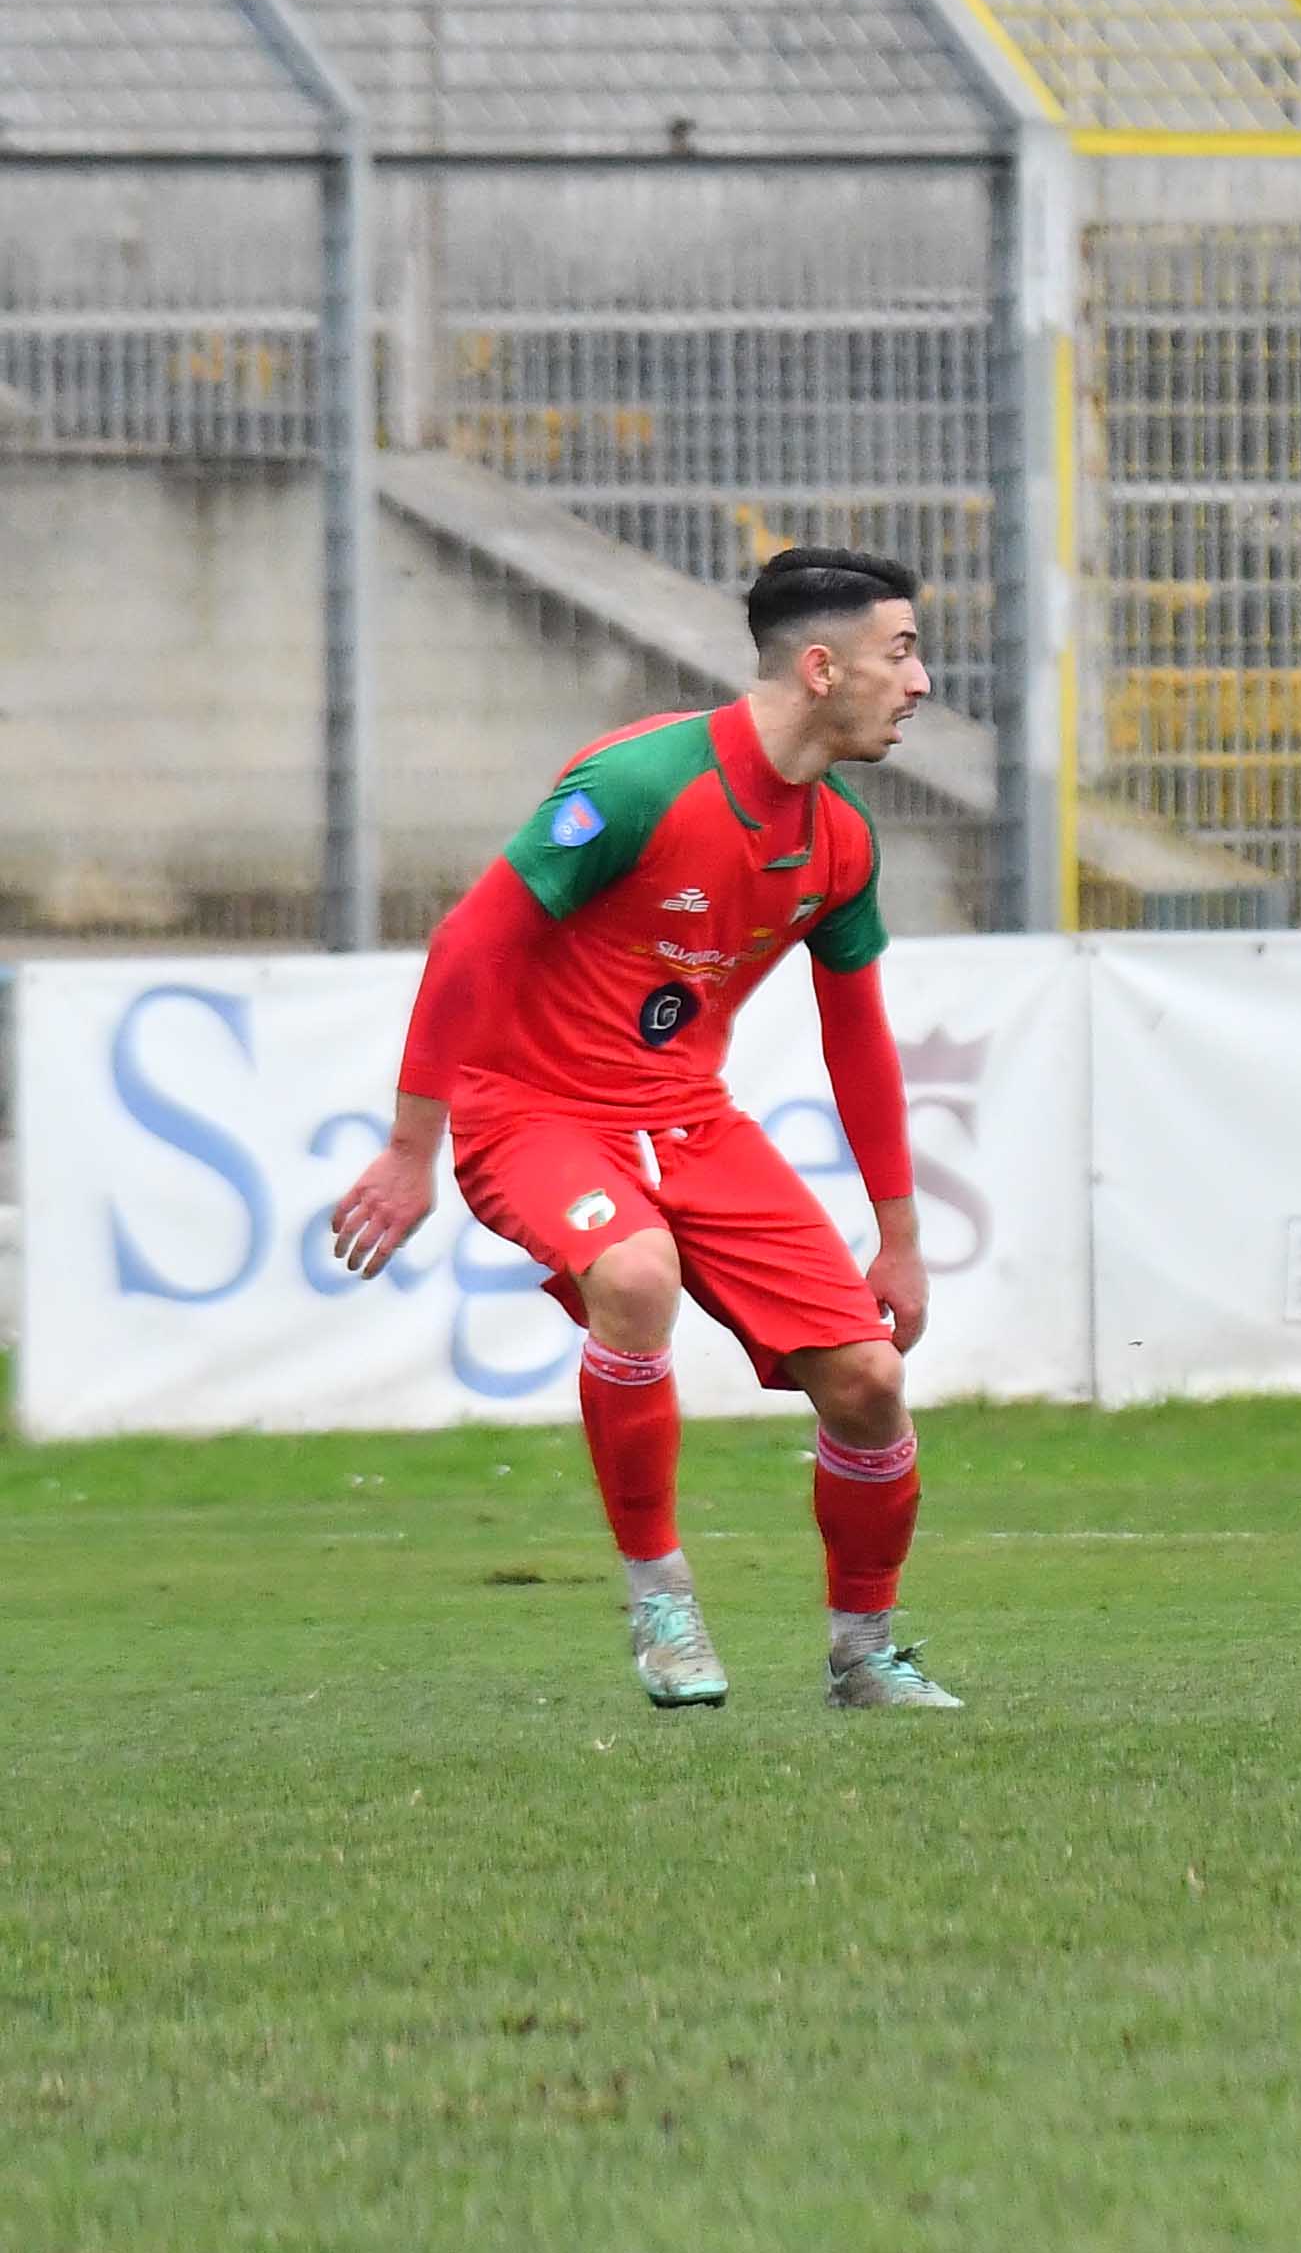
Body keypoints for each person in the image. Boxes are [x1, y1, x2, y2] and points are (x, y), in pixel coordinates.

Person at [324, 549, 961, 1714]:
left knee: (869, 1379)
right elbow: (469, 943)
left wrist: (899, 1236)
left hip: (691, 1122)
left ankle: (864, 1652)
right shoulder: (636, 783)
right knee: (633, 1270)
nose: (920, 683)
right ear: (820, 668)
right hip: (535, 1111)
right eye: (901, 653)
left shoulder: (842, 843)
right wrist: (413, 1147)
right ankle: (661, 1603)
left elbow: (857, 1037)